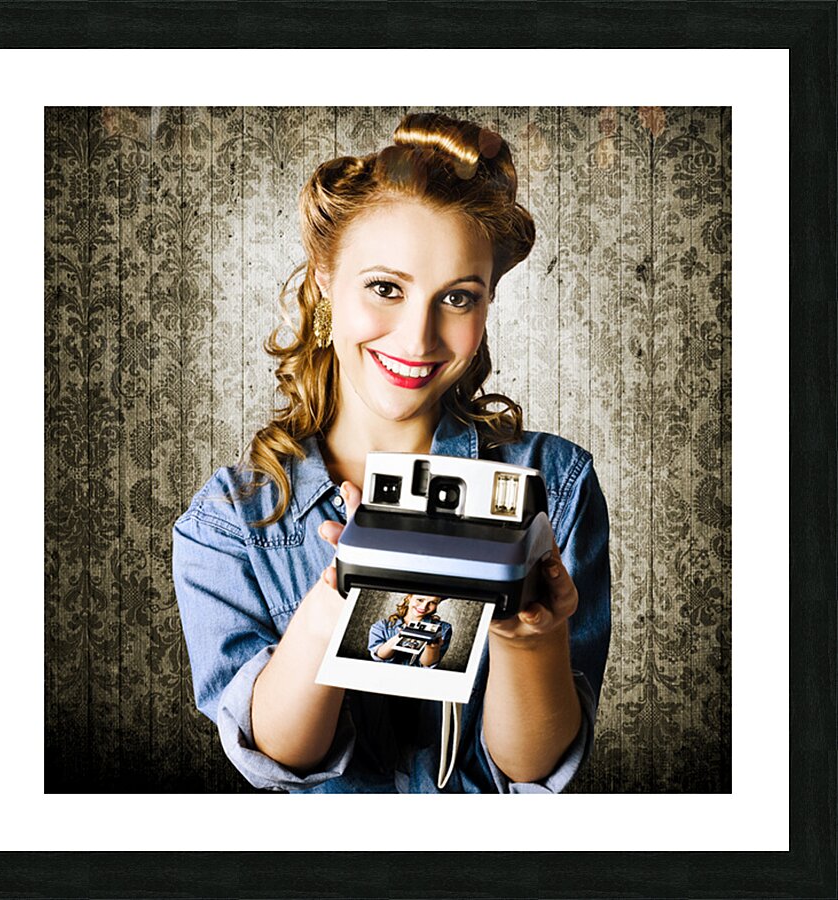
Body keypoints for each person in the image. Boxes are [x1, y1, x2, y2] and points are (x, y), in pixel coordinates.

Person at [172, 111, 611, 793]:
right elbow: (280, 759)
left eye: (457, 298)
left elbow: (531, 773)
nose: (416, 338)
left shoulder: (552, 483)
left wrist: (530, 638)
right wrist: (334, 601)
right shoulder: (233, 518)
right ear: (324, 282)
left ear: (488, 304)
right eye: (386, 288)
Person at [368, 594, 452, 667]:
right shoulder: (382, 626)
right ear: (409, 597)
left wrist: (432, 648)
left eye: (433, 602)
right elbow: (381, 656)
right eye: (420, 600)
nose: (423, 607)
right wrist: (400, 637)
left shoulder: (442, 629)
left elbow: (426, 664)